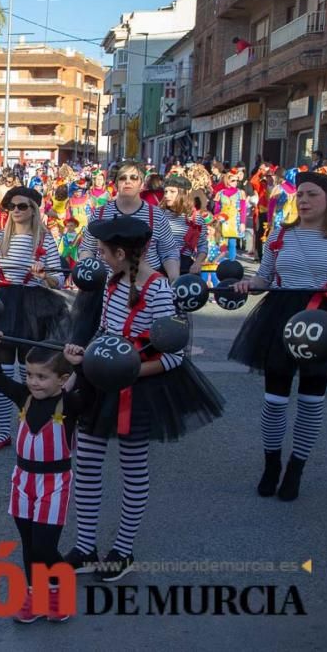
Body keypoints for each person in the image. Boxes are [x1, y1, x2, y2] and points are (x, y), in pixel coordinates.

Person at [64, 217, 223, 581]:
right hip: (101, 379)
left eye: (103, 252)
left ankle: (122, 550)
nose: (99, 258)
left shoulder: (159, 291)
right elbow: (104, 331)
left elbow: (173, 355)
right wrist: (81, 359)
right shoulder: (111, 282)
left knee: (133, 469)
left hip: (139, 386)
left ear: (120, 253)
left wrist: (131, 370)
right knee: (86, 463)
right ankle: (85, 545)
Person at [229, 171, 327, 501]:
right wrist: (248, 285)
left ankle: (295, 470)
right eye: (300, 194)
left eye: (312, 194)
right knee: (275, 401)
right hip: (280, 319)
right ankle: (271, 465)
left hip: (325, 322)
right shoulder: (280, 234)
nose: (303, 200)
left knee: (311, 401)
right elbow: (264, 278)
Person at [0, 332, 94, 623]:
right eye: (30, 374)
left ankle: (58, 588)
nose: (33, 382)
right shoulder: (25, 397)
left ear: (62, 379)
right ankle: (34, 595)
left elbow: (93, 393)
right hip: (22, 481)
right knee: (30, 545)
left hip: (54, 484)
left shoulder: (70, 405)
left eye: (42, 377)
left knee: (45, 546)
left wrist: (79, 366)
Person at [0, 186, 68, 452]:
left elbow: (58, 280)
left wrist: (43, 276)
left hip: (34, 306)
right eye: (11, 206)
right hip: (2, 305)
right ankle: (4, 430)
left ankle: (29, 424)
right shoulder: (1, 237)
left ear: (34, 209)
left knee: (31, 373)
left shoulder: (44, 239)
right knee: (3, 372)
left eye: (22, 206)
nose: (15, 211)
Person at [72, 160, 181, 346]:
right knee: (90, 343)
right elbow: (87, 250)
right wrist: (87, 273)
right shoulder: (99, 214)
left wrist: (174, 279)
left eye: (133, 178)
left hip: (143, 287)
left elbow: (169, 251)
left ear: (142, 183)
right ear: (115, 183)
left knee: (142, 344)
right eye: (122, 178)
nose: (128, 182)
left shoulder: (156, 215)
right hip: (104, 288)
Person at [161, 174, 207, 275]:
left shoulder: (196, 218)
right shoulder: (158, 215)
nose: (167, 195)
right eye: (165, 191)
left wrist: (198, 263)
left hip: (185, 267)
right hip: (160, 266)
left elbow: (202, 245)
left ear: (184, 194)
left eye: (172, 192)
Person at [213, 169, 248, 261]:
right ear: (227, 180)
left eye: (236, 180)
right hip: (222, 222)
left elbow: (243, 209)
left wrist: (243, 223)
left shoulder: (241, 193)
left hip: (234, 221)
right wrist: (216, 220)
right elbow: (216, 209)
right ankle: (219, 263)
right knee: (222, 244)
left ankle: (232, 264)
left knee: (233, 244)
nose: (235, 182)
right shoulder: (220, 193)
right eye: (233, 180)